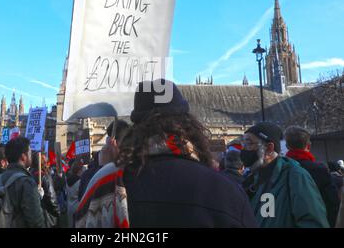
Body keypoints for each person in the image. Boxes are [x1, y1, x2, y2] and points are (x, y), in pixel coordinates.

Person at [76, 79, 257, 228]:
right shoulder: (225, 189)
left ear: (137, 128)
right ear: (188, 125)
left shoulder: (105, 184)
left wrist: (104, 167)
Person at [241, 122, 329, 228]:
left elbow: (313, 222)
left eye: (249, 144)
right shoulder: (252, 179)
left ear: (269, 148)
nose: (244, 150)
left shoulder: (295, 176)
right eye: (243, 145)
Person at [0, 137, 45, 228]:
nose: (31, 155)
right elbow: (36, 221)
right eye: (29, 153)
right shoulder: (27, 182)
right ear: (23, 157)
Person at [284, 126, 340, 227]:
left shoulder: (281, 169)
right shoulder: (319, 169)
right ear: (308, 146)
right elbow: (332, 203)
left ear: (287, 146)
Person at [30, 152, 60, 228]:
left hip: (34, 215)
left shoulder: (29, 174)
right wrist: (57, 211)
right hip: (46, 216)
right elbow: (51, 197)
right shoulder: (44, 176)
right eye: (47, 161)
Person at [66, 158, 84, 228]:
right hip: (77, 207)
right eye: (82, 169)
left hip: (70, 206)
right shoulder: (80, 181)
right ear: (79, 170)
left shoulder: (67, 180)